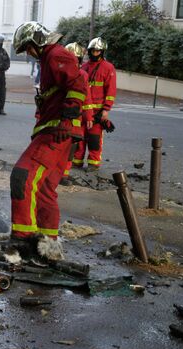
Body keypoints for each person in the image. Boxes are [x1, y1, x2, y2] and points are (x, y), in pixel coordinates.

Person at [9, 21, 86, 244]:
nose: (29, 53)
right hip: (61, 132)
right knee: (44, 189)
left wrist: (66, 119)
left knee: (22, 176)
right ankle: (48, 244)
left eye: (28, 47)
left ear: (38, 40)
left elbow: (78, 86)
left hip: (57, 132)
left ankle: (23, 240)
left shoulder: (56, 55)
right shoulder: (49, 59)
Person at [73, 37, 116, 172]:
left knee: (94, 138)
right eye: (93, 50)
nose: (95, 53)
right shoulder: (84, 67)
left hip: (97, 111)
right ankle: (77, 161)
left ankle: (93, 163)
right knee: (79, 136)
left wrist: (106, 109)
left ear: (102, 52)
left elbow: (111, 90)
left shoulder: (108, 68)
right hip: (83, 109)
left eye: (97, 51)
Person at [61, 42, 93, 186]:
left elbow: (87, 97)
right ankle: (54, 174)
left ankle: (64, 175)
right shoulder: (58, 72)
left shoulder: (83, 75)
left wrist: (89, 116)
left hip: (75, 120)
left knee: (70, 149)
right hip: (58, 117)